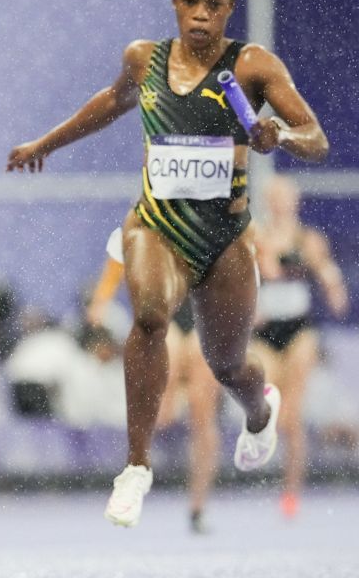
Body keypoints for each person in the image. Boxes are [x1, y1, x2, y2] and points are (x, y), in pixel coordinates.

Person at [5, 0, 330, 528]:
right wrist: (43, 145)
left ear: (229, 8)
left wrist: (278, 135)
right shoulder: (143, 60)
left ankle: (260, 411)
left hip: (224, 238)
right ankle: (136, 467)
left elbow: (317, 138)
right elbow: (108, 104)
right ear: (174, 4)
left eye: (213, 5)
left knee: (227, 364)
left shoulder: (253, 65)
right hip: (156, 223)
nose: (201, 16)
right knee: (150, 314)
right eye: (190, 3)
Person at [87, 227, 221, 533]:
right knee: (162, 411)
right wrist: (102, 298)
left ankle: (198, 507)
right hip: (166, 311)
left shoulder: (212, 210)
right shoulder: (149, 217)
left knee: (203, 414)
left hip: (203, 313)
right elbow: (121, 250)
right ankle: (130, 478)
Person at [251, 174, 349, 518]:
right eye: (274, 198)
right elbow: (243, 279)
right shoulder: (256, 237)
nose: (280, 204)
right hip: (266, 333)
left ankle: (291, 491)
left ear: (294, 203)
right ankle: (261, 431)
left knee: (293, 419)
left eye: (285, 198)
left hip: (298, 331)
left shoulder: (307, 239)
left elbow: (326, 270)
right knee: (271, 408)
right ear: (267, 202)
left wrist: (335, 290)